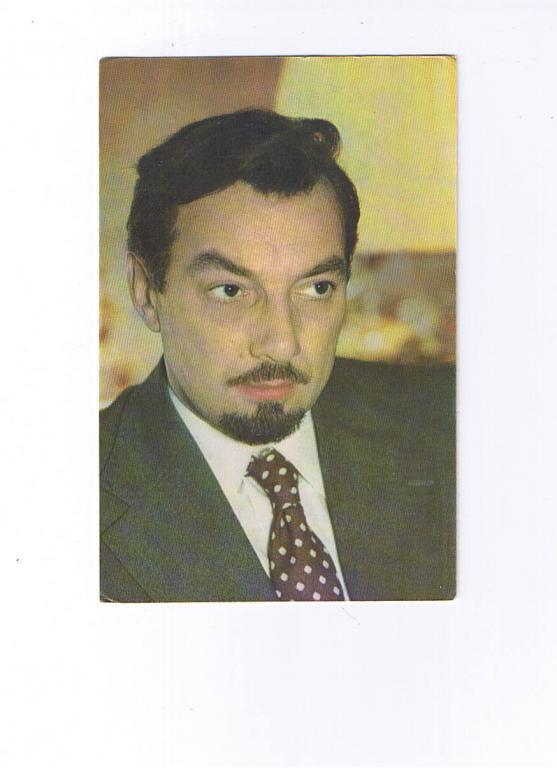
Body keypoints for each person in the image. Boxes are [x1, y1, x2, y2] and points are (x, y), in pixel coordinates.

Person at [100, 108, 455, 602]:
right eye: (230, 291)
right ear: (145, 291)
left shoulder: (453, 419)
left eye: (316, 288)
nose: (281, 342)